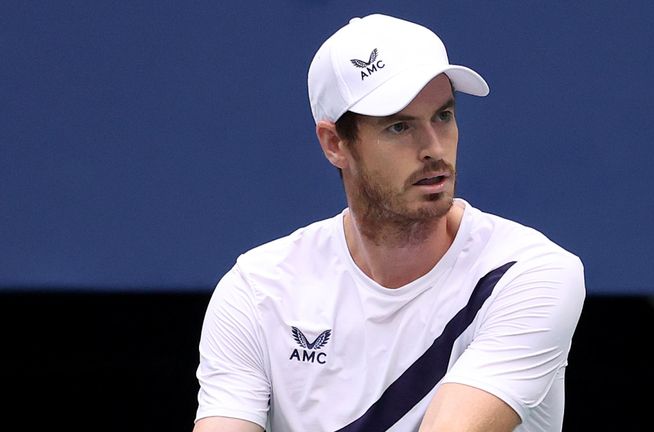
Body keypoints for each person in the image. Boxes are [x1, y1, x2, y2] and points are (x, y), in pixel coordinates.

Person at [192, 13, 585, 432]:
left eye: (443, 116)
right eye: (399, 127)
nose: (433, 148)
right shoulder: (257, 288)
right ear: (334, 144)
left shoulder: (528, 274)